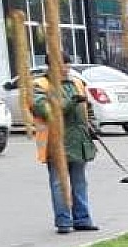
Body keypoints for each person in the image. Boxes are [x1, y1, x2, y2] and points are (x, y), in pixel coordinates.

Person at [31, 51, 99, 234]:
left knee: (80, 183)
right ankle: (64, 221)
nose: (65, 69)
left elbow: (87, 107)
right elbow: (45, 111)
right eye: (61, 65)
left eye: (68, 65)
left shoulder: (76, 82)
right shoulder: (40, 86)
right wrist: (70, 103)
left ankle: (82, 219)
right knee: (59, 184)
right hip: (55, 143)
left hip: (79, 142)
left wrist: (93, 125)